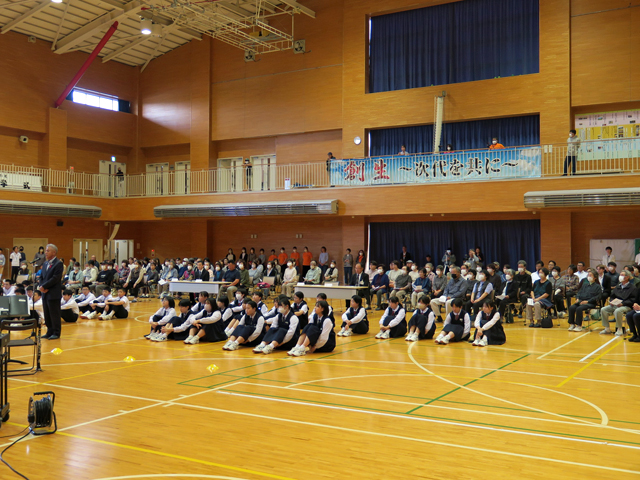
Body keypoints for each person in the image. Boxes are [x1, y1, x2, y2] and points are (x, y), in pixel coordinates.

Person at [38, 244, 63, 339]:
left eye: (48, 251)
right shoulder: (45, 263)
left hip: (53, 293)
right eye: (46, 250)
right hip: (45, 293)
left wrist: (44, 286)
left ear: (54, 252)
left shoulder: (58, 263)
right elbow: (41, 277)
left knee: (54, 314)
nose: (46, 252)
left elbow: (55, 278)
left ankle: (56, 332)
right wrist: (41, 286)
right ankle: (49, 331)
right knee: (47, 313)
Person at [600, 270, 636, 336]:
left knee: (617, 311)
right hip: (615, 304)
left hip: (626, 306)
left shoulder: (632, 288)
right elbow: (612, 296)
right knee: (603, 309)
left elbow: (633, 300)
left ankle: (619, 329)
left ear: (627, 277)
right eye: (620, 275)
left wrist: (623, 303)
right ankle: (607, 328)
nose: (620, 276)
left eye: (622, 275)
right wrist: (611, 301)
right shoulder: (618, 286)